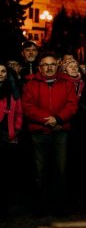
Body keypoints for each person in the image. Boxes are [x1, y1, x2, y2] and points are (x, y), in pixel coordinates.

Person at [22, 52, 79, 216]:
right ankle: (42, 206)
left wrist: (59, 119)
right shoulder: (31, 84)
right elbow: (28, 107)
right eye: (45, 64)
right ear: (40, 67)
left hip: (60, 133)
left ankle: (59, 207)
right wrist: (48, 120)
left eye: (52, 64)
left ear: (57, 66)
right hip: (39, 133)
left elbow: (72, 105)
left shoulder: (67, 83)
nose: (49, 67)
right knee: (41, 172)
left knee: (60, 171)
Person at [0, 61, 23, 219]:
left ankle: (5, 209)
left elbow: (19, 113)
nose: (0, 73)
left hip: (7, 137)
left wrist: (16, 130)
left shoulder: (13, 91)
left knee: (6, 175)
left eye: (2, 71)